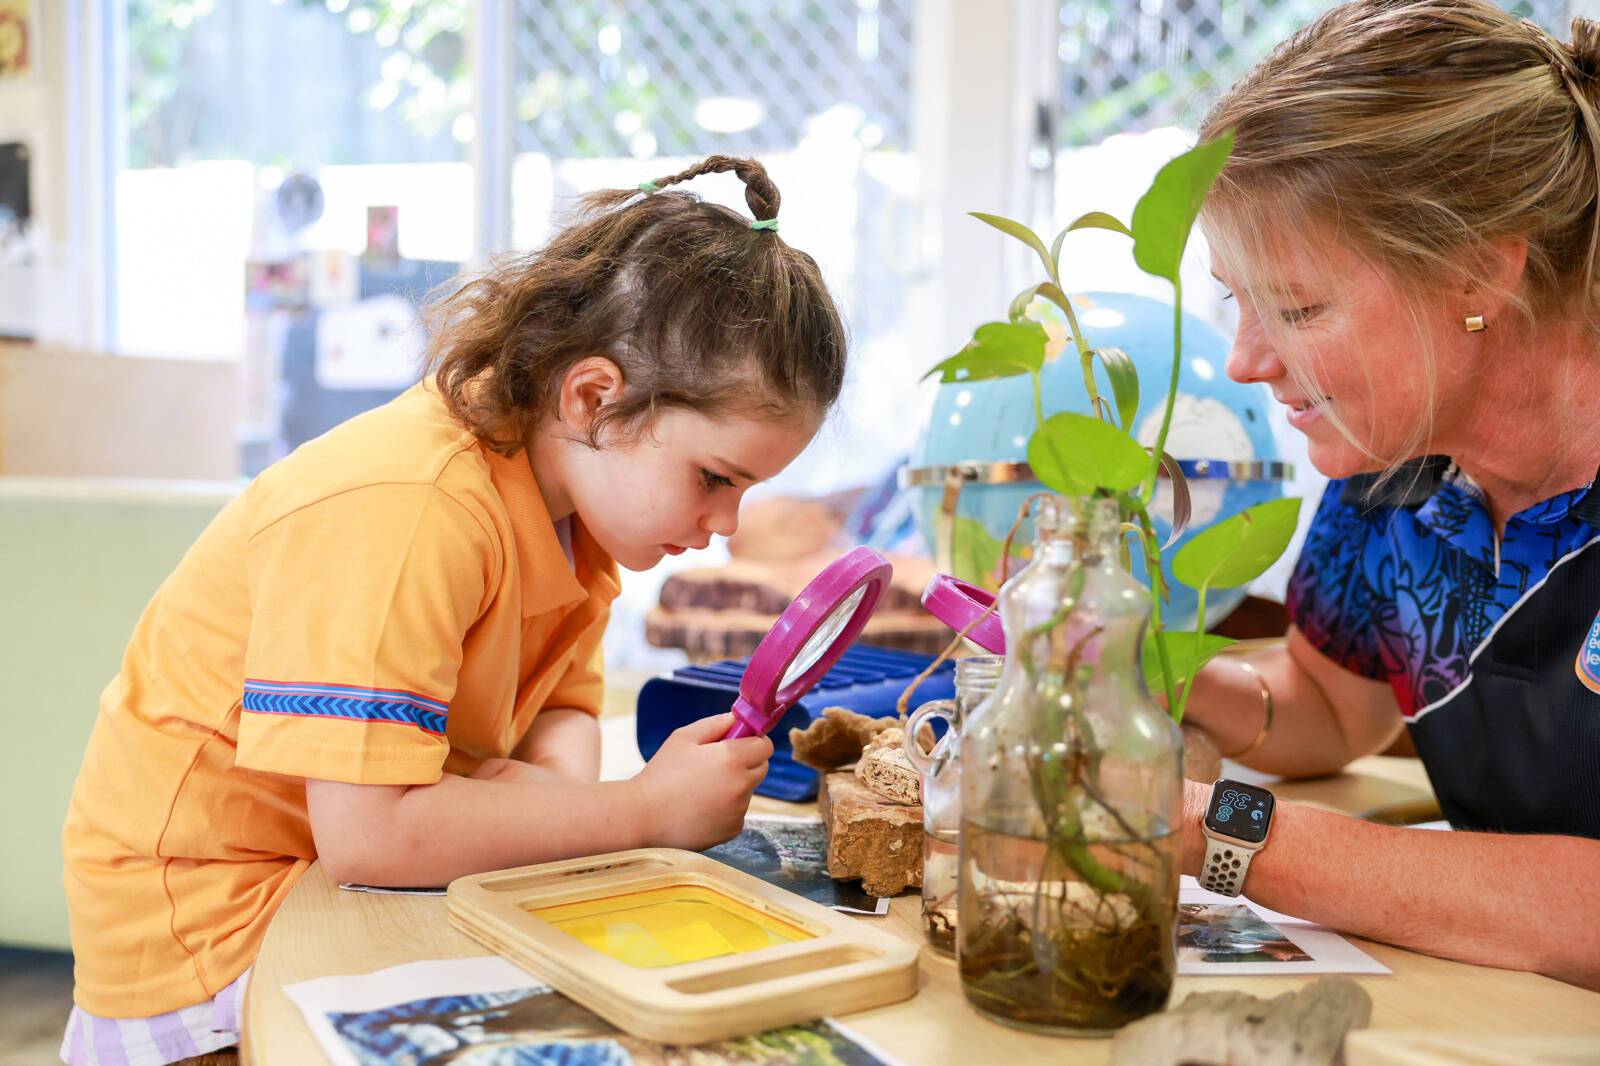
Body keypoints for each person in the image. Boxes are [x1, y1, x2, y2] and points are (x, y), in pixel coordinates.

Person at [58, 155, 847, 1064]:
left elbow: (562, 705)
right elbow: (370, 835)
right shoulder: (408, 503)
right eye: (714, 479)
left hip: (348, 870)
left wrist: (555, 794)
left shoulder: (576, 522)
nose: (726, 525)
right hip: (212, 929)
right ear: (594, 398)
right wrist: (639, 810)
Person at [1175, 0, 1600, 990]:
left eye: (1296, 307)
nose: (1244, 361)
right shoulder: (1393, 470)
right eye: (1237, 301)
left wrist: (1213, 832)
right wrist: (1144, 668)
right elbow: (1331, 706)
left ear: (1479, 271)